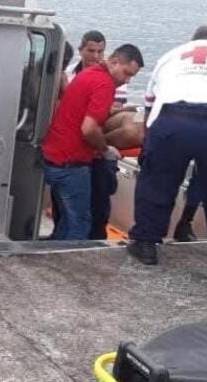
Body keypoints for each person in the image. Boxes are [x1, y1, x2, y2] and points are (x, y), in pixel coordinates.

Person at [128, 26, 207, 270]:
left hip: (174, 119)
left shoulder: (172, 55)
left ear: (192, 42)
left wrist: (150, 140)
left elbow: (150, 102)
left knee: (157, 181)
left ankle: (145, 244)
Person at [42, 44, 144, 240]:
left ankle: (55, 252)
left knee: (65, 219)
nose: (127, 81)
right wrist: (105, 149)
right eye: (126, 73)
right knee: (80, 224)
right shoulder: (104, 85)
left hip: (53, 158)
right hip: (71, 163)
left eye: (132, 77)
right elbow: (88, 128)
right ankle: (70, 264)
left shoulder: (88, 73)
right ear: (114, 62)